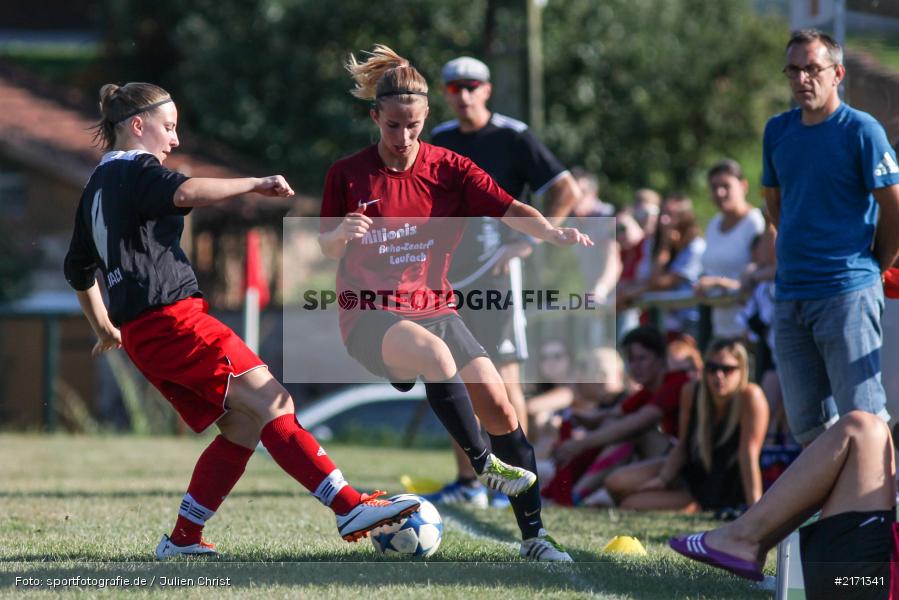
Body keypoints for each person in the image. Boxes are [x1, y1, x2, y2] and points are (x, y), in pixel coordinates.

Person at [63, 82, 421, 559]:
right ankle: (348, 505)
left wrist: (104, 326)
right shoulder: (139, 170)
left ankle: (183, 539)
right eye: (168, 128)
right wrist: (254, 183)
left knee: (243, 426)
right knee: (275, 401)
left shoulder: (94, 189)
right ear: (137, 126)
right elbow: (187, 191)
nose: (174, 140)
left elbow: (78, 269)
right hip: (173, 320)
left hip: (144, 333)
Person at [318, 45, 593, 561]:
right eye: (394, 126)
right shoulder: (348, 174)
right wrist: (340, 235)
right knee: (438, 360)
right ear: (375, 117)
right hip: (370, 313)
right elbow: (324, 242)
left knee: (500, 402)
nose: (404, 138)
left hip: (435, 308)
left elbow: (510, 207)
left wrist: (550, 233)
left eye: (415, 126)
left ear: (426, 119)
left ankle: (535, 536)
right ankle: (482, 465)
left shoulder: (450, 168)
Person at [427, 55, 582, 507]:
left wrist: (530, 242)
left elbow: (565, 188)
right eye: (455, 88)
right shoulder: (440, 137)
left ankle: (520, 484)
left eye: (472, 86)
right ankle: (468, 482)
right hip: (449, 276)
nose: (464, 95)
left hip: (498, 276)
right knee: (450, 374)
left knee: (504, 380)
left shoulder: (513, 136)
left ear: (487, 90)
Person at [763, 29, 899, 445]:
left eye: (812, 69)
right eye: (794, 70)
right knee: (809, 430)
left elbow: (895, 207)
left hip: (848, 292)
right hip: (791, 297)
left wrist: (878, 264)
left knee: (866, 421)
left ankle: (882, 507)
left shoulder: (862, 130)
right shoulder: (777, 131)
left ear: (837, 73)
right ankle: (834, 511)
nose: (802, 79)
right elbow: (773, 202)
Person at [670, 411, 896, 598]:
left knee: (861, 429)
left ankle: (743, 538)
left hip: (863, 583)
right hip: (867, 579)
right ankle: (746, 541)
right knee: (869, 431)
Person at [605, 338, 768, 512]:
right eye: (712, 368)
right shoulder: (691, 391)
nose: (718, 376)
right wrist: (663, 480)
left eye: (727, 370)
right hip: (692, 476)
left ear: (742, 371)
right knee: (614, 482)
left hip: (725, 487)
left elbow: (748, 456)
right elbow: (683, 446)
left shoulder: (750, 396)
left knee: (629, 505)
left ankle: (691, 507)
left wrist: (755, 510)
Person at [542, 325, 690, 506]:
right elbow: (607, 416)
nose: (635, 366)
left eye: (641, 358)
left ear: (661, 359)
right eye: (631, 360)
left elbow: (635, 424)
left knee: (630, 433)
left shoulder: (676, 382)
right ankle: (573, 495)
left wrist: (580, 444)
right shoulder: (646, 391)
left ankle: (574, 496)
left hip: (687, 466)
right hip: (667, 461)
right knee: (627, 501)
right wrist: (578, 418)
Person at [694, 159, 765, 337]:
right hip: (719, 326)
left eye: (726, 186)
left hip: (748, 329)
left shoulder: (755, 223)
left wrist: (718, 283)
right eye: (714, 187)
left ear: (743, 186)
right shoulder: (713, 224)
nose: (720, 192)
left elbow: (759, 280)